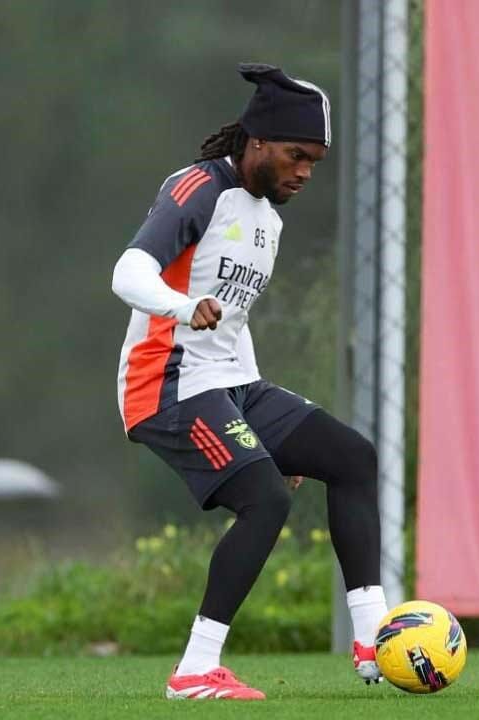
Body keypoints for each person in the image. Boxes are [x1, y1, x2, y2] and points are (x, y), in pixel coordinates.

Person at [111, 63, 386, 701]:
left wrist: (267, 429)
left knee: (352, 457)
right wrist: (182, 307)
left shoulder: (269, 219)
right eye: (296, 155)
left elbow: (234, 321)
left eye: (315, 162)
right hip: (167, 384)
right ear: (258, 141)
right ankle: (194, 670)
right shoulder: (197, 188)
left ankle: (375, 637)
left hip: (230, 383)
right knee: (266, 499)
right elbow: (128, 272)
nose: (305, 172)